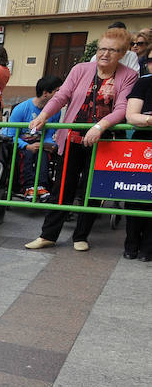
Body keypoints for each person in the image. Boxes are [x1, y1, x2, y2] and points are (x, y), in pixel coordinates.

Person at [26, 28, 138, 252]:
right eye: (102, 49)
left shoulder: (128, 75)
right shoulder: (81, 69)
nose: (105, 54)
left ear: (123, 53)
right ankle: (48, 235)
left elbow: (122, 108)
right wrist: (43, 115)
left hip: (103, 141)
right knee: (62, 188)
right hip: (72, 137)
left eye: (112, 50)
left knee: (91, 189)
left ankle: (81, 235)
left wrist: (99, 126)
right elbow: (61, 96)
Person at [1, 75, 63, 199]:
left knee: (44, 154)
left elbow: (50, 134)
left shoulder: (56, 111)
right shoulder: (21, 109)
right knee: (27, 154)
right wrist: (27, 146)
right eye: (58, 91)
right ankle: (28, 187)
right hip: (21, 143)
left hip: (39, 144)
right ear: (46, 93)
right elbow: (11, 135)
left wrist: (48, 145)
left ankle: (41, 186)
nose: (61, 93)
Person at [124, 73, 152, 260]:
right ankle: (131, 244)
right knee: (136, 194)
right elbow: (131, 117)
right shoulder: (144, 82)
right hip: (141, 145)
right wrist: (149, 120)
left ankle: (148, 248)